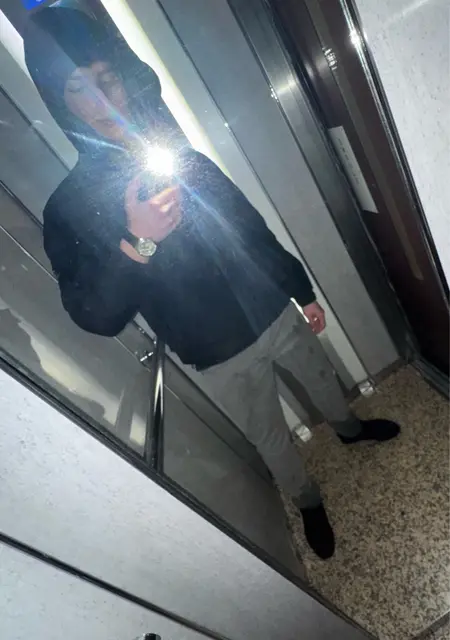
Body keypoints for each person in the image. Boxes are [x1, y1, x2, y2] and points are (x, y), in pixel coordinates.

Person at [24, 6, 400, 559]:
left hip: (271, 308)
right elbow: (93, 316)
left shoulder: (178, 156)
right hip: (216, 353)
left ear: (124, 79)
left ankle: (349, 430)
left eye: (107, 78)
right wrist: (138, 240)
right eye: (79, 87)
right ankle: (307, 500)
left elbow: (248, 226)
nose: (102, 100)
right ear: (60, 100)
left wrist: (300, 290)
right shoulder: (68, 209)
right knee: (269, 436)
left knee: (324, 381)